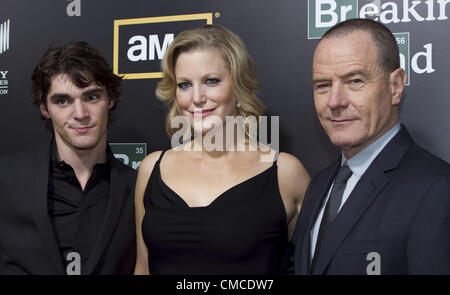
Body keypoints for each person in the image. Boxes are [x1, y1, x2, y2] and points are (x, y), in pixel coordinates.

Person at [134, 25, 310, 275]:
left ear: (238, 86)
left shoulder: (285, 173)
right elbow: (143, 269)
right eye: (184, 84)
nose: (196, 97)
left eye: (211, 81)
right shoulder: (152, 169)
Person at [292, 19, 450, 275]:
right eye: (323, 85)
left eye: (355, 81)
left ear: (396, 85)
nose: (335, 101)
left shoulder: (437, 189)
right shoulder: (320, 184)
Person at [0, 41, 136, 274]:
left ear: (110, 99)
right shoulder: (6, 180)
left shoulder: (139, 187)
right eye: (63, 101)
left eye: (91, 97)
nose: (80, 114)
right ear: (44, 107)